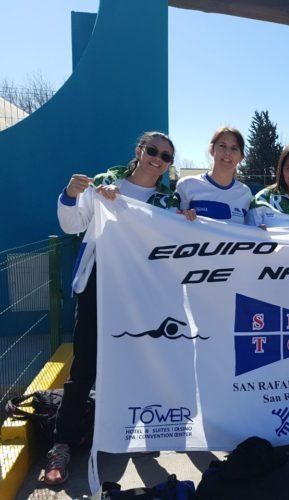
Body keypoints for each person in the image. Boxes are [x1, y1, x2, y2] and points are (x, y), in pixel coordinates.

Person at [45, 132, 182, 485]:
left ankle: (133, 432)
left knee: (139, 361)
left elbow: (175, 242)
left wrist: (189, 221)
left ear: (169, 164)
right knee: (86, 364)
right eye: (152, 150)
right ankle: (62, 442)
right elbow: (72, 224)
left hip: (141, 291)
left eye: (165, 156)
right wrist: (72, 194)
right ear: (139, 150)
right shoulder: (106, 183)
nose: (157, 159)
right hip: (98, 285)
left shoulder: (169, 201)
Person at [176, 126, 252, 223]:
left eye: (234, 148)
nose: (227, 153)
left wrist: (261, 232)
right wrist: (183, 216)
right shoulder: (187, 184)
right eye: (222, 146)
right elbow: (173, 224)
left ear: (241, 157)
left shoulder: (245, 193)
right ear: (212, 150)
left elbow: (248, 230)